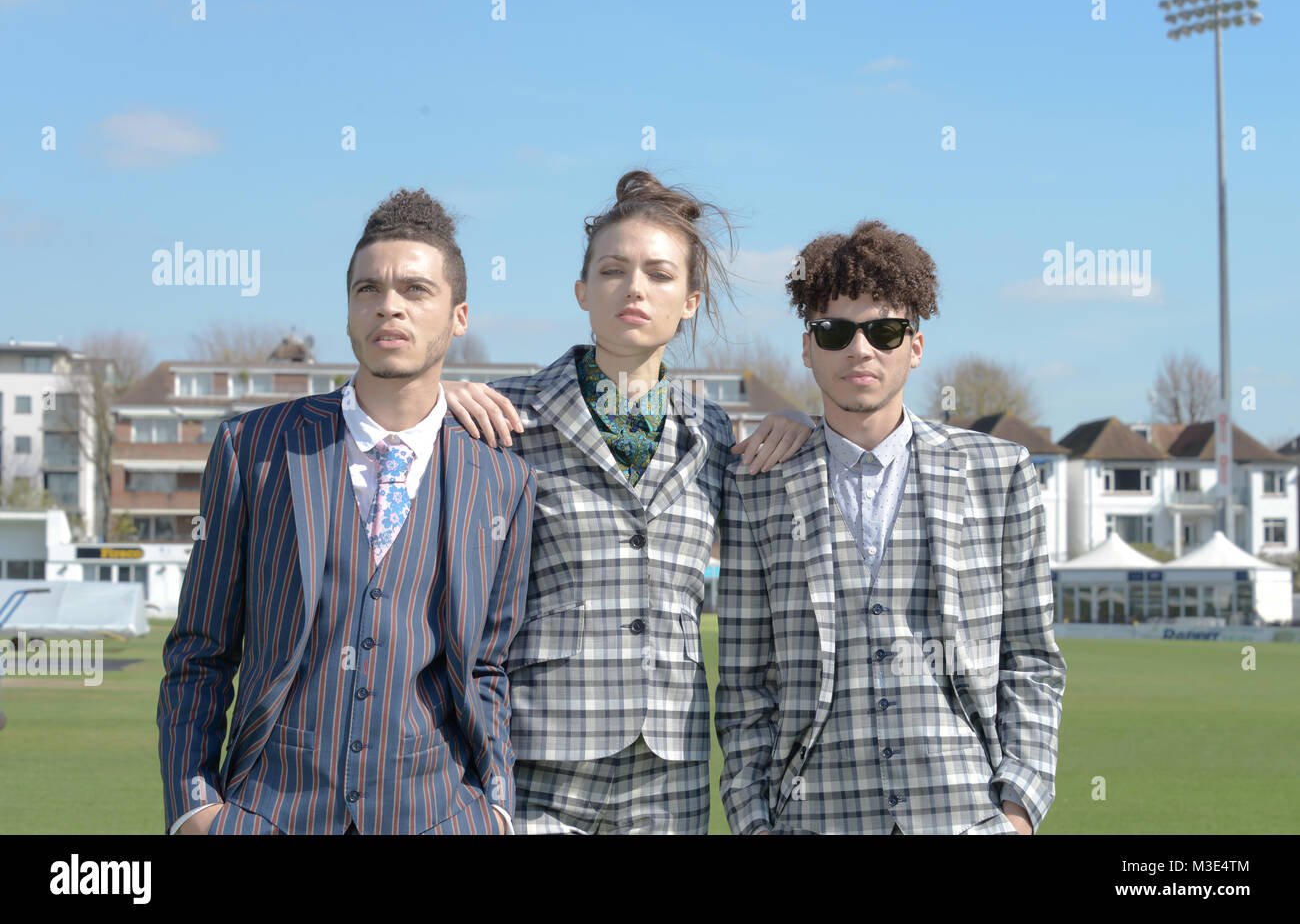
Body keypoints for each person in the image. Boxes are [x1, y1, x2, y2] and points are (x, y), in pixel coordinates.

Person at [440, 170, 813, 833]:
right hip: (538, 762)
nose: (634, 287)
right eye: (613, 270)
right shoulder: (503, 417)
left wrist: (805, 426)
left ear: (690, 300)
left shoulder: (715, 432)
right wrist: (428, 403)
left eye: (659, 274)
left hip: (669, 774)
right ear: (583, 290)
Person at [157, 189, 536, 834]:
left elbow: (490, 665)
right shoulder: (256, 447)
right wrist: (195, 806)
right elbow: (200, 649)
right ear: (349, 311)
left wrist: (494, 809)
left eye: (416, 289)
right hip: (267, 815)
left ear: (459, 315)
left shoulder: (502, 478)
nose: (389, 304)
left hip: (440, 816)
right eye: (368, 289)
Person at [716, 219, 1066, 835]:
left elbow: (1032, 660)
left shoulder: (1000, 472)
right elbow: (746, 685)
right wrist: (753, 825)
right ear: (807, 347)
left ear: (916, 346)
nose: (860, 349)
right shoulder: (757, 484)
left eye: (883, 330)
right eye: (835, 331)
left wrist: (1018, 813)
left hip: (968, 816)